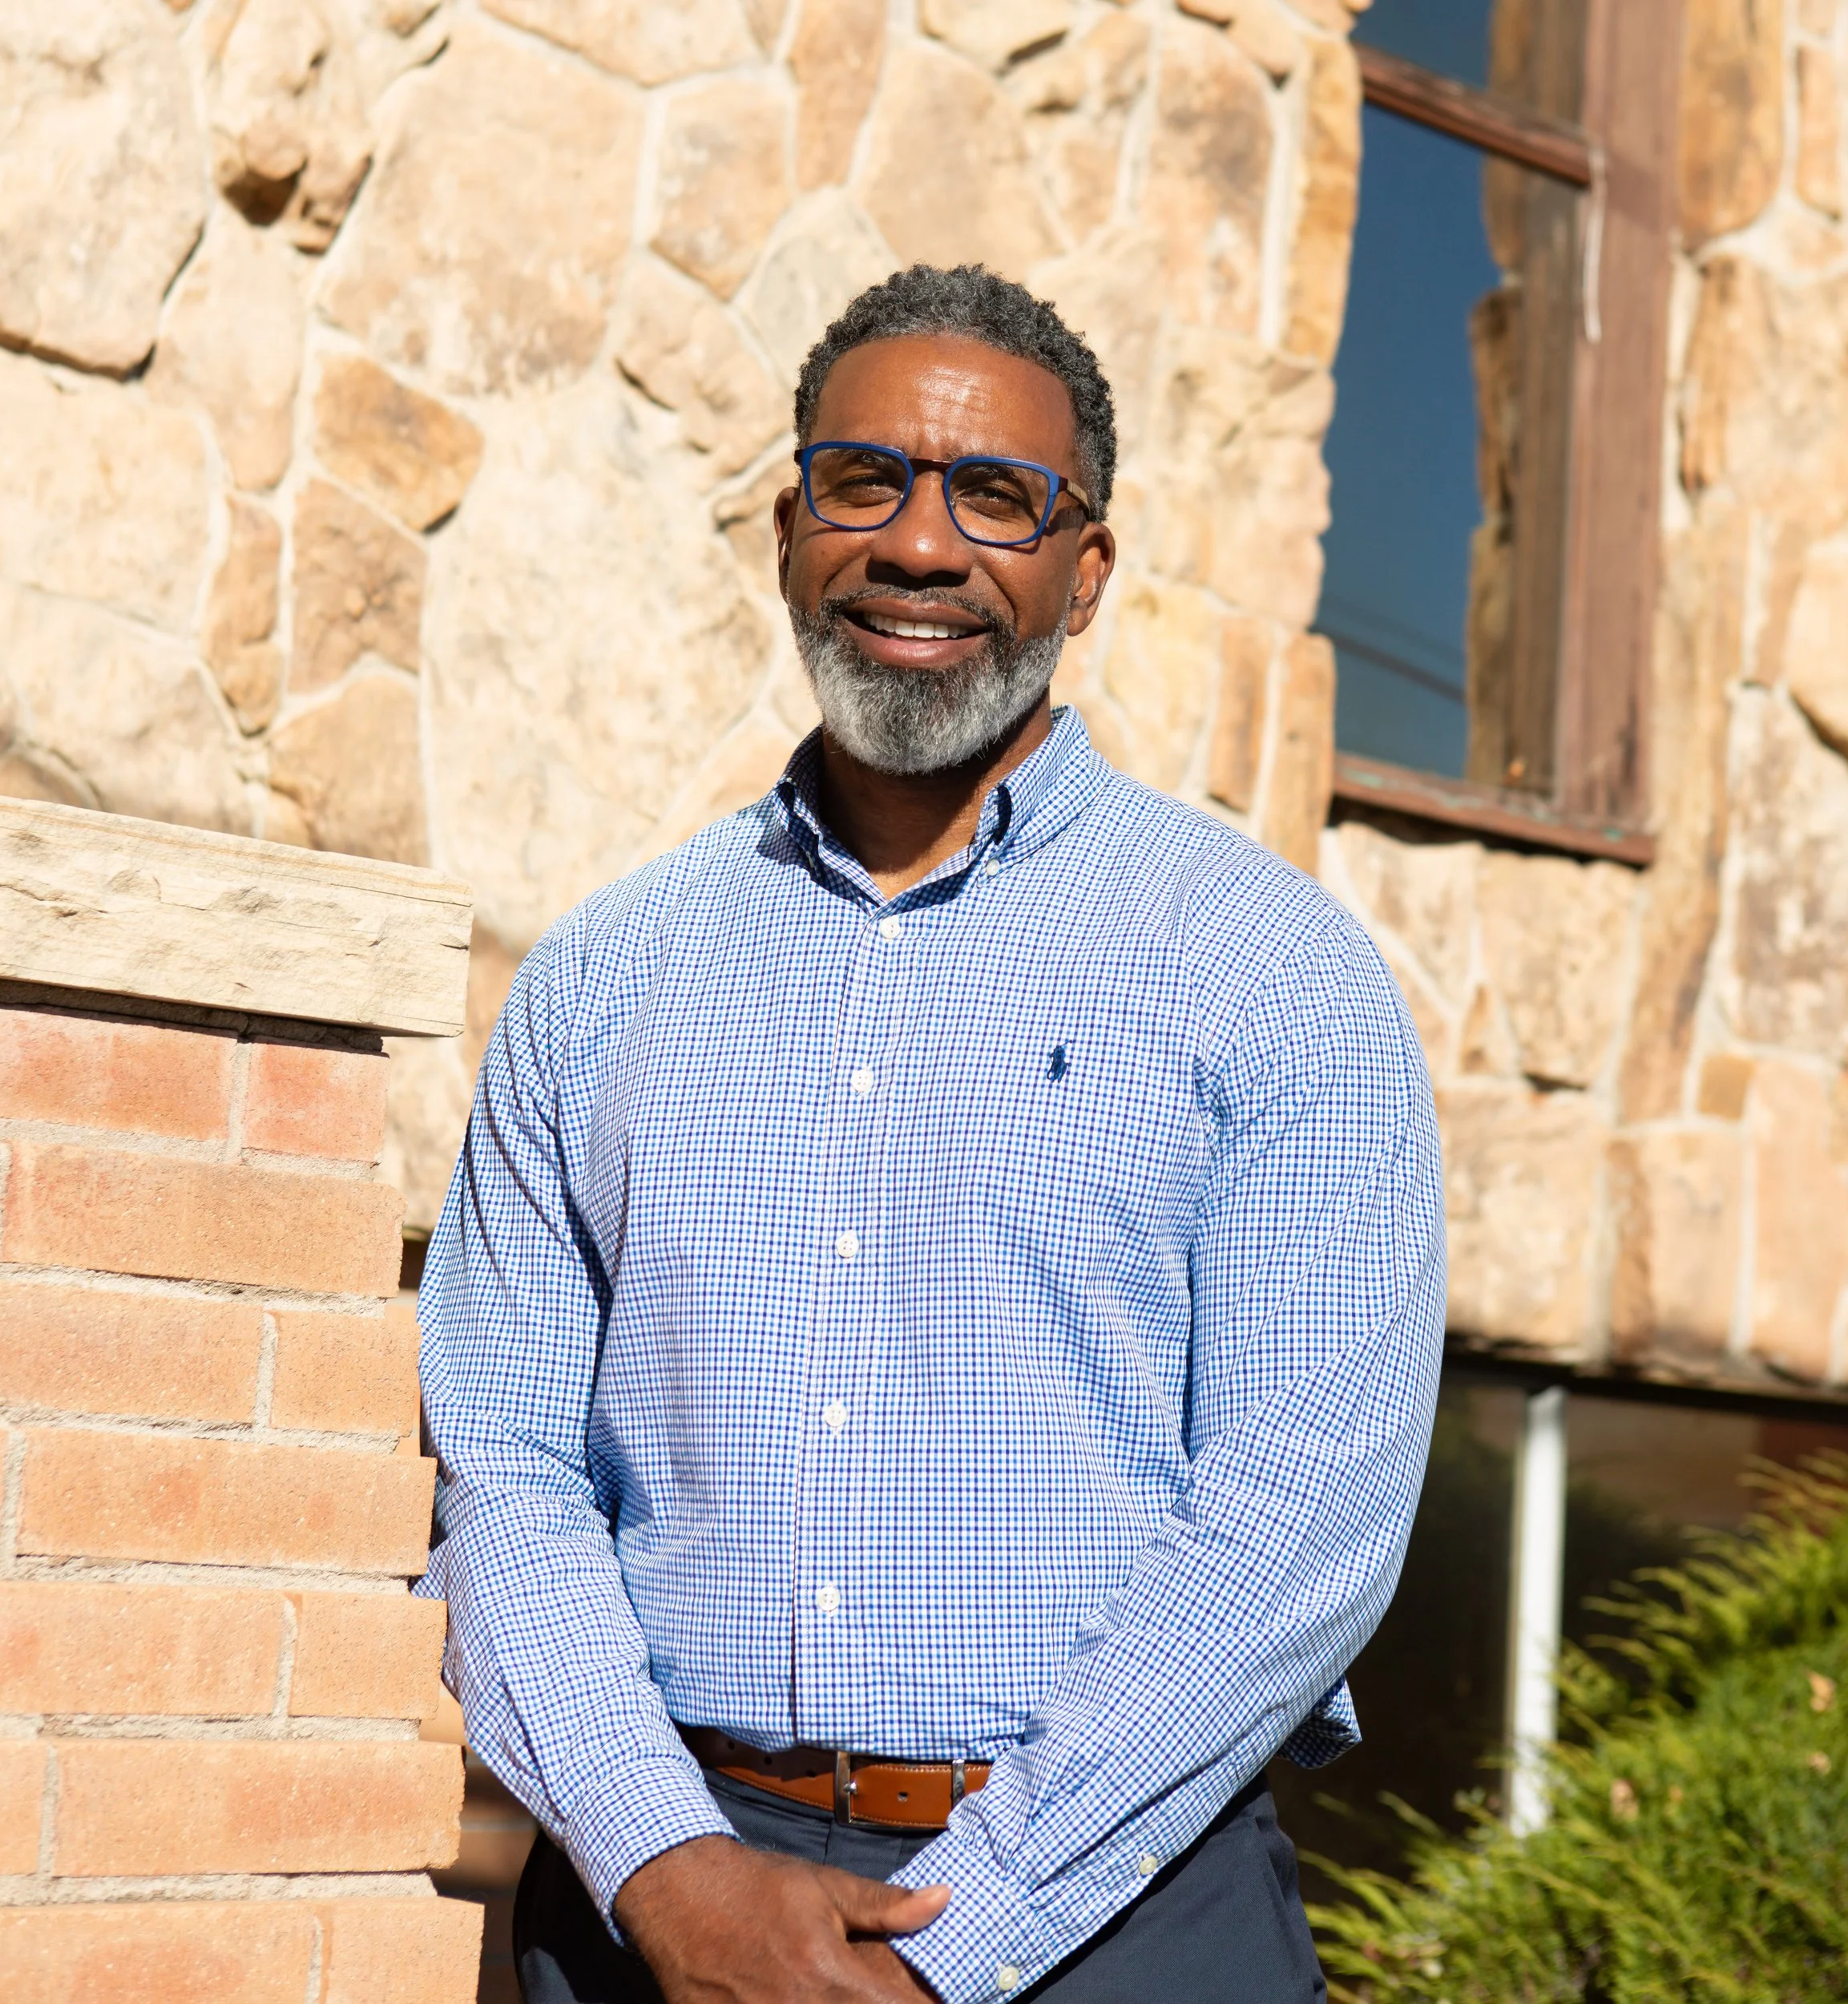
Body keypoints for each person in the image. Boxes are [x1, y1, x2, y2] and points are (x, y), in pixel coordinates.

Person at [418, 264, 1446, 2004]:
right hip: (661, 1914)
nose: (917, 544)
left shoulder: (1271, 975)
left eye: (995, 497)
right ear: (787, 530)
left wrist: (948, 1944)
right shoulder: (602, 979)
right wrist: (665, 1866)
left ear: (1085, 570)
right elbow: (503, 1469)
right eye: (864, 481)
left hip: (1119, 1915)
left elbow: (1298, 1520)